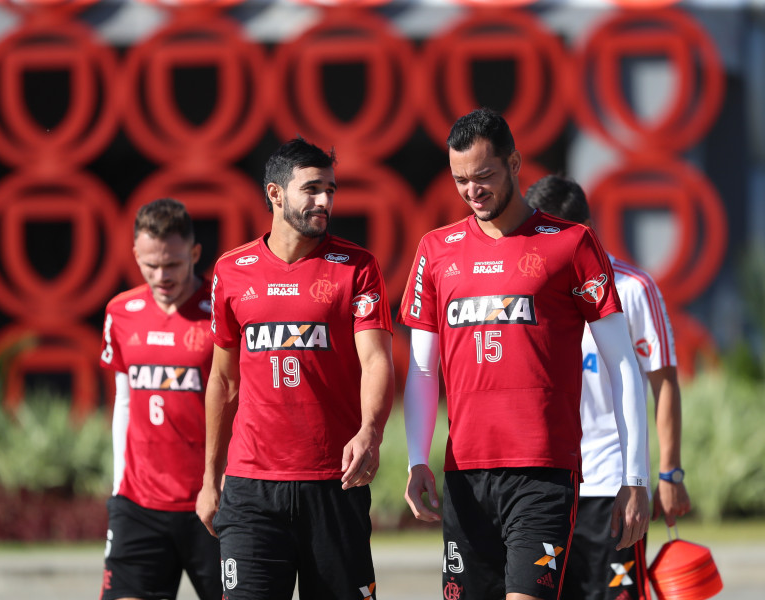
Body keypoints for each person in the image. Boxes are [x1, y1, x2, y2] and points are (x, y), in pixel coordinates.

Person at [398, 108, 650, 600]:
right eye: (461, 180)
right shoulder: (435, 249)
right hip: (464, 476)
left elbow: (623, 367)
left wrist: (635, 477)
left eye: (485, 175)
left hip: (542, 472)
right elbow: (424, 368)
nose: (473, 190)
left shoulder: (572, 244)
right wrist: (415, 459)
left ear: (514, 163)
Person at [196, 138, 394, 600]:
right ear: (275, 193)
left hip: (333, 484)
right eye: (311, 189)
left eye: (330, 189)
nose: (324, 200)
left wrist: (370, 431)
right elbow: (223, 382)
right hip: (250, 489)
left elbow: (375, 360)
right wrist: (209, 481)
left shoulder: (358, 267)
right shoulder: (231, 270)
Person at [525, 175, 692, 600]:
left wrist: (669, 472)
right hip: (545, 485)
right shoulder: (525, 292)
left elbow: (664, 380)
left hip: (610, 486)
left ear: (584, 231)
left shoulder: (633, 288)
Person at [98, 198, 221, 600]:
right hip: (139, 505)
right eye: (151, 265)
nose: (162, 275)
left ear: (194, 253)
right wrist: (119, 484)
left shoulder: (220, 310)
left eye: (172, 264)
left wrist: (226, 482)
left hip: (212, 503)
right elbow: (124, 399)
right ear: (136, 255)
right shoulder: (120, 312)